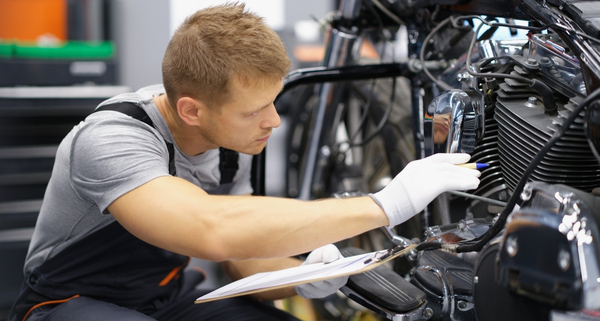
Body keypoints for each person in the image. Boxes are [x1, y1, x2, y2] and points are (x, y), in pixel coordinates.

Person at [9, 3, 481, 321]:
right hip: (66, 301)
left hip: (164, 295)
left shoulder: (230, 138)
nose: (273, 121)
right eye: (255, 111)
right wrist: (385, 205)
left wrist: (304, 275)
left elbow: (240, 256)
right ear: (192, 109)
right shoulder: (112, 138)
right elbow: (209, 228)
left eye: (274, 102)